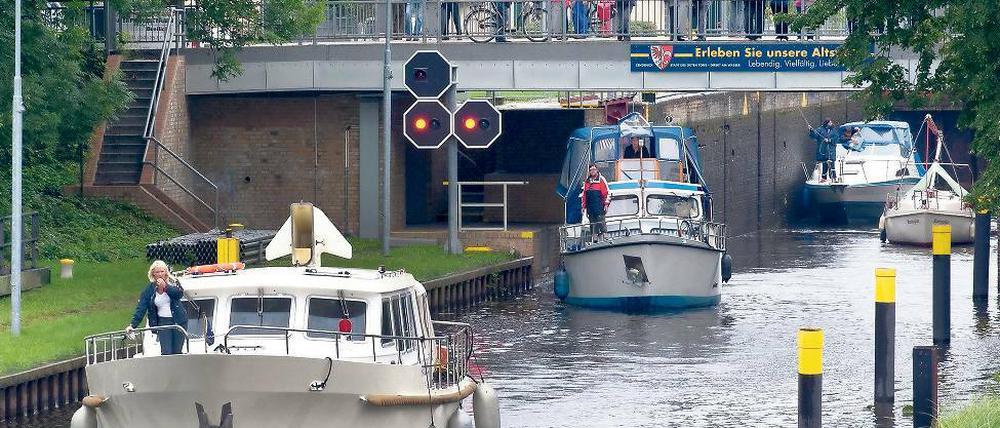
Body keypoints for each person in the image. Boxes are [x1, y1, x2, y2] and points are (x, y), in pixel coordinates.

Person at [127, 260, 188, 355]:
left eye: (162, 271)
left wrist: (166, 287)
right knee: (166, 351)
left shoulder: (173, 282)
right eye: (157, 272)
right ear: (153, 274)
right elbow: (141, 308)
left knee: (177, 352)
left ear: (166, 272)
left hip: (179, 320)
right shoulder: (149, 290)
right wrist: (133, 325)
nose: (160, 274)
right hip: (163, 322)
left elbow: (179, 294)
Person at [581, 164, 610, 240]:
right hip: (590, 207)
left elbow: (607, 193)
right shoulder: (587, 182)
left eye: (594, 169)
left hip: (599, 206)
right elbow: (584, 195)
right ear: (589, 171)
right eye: (591, 170)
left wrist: (606, 204)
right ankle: (595, 238)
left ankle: (605, 236)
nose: (592, 171)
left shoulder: (601, 180)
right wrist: (583, 207)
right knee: (592, 222)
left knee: (601, 220)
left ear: (597, 170)